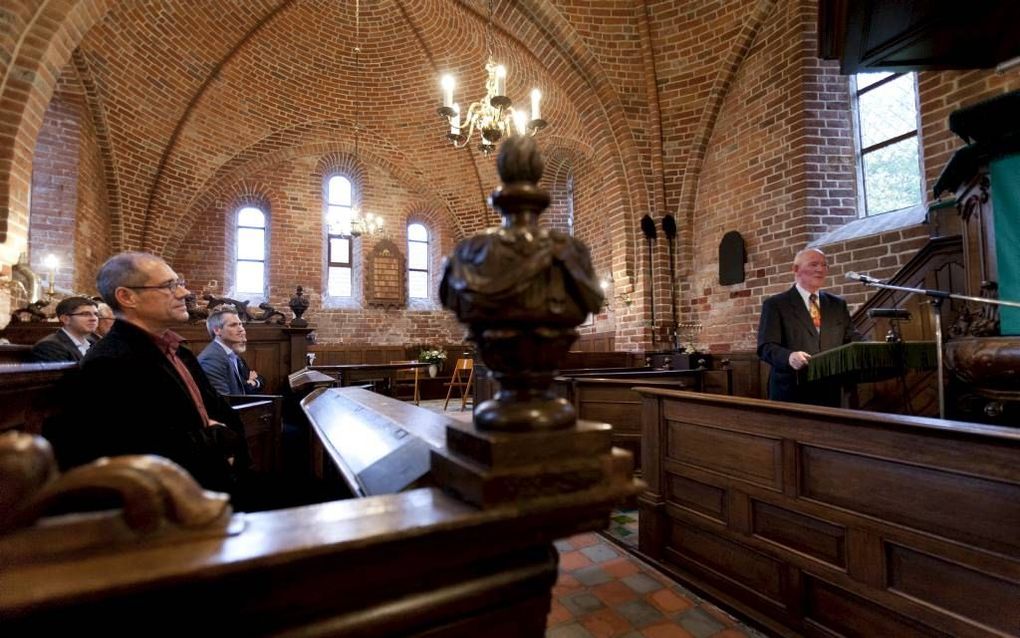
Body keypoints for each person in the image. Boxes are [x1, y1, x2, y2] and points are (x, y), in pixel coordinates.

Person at [44, 252, 251, 499]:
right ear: (127, 297)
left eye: (180, 284)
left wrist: (226, 442)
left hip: (216, 486)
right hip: (174, 505)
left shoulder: (178, 350)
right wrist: (217, 440)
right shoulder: (111, 362)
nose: (184, 293)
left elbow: (217, 408)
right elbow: (144, 449)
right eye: (169, 286)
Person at [757, 248, 859, 407]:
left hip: (831, 392)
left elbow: (851, 337)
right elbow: (765, 347)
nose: (820, 269)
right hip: (792, 391)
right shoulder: (776, 304)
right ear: (796, 269)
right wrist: (789, 357)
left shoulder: (837, 304)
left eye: (824, 265)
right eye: (814, 264)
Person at [198, 306, 265, 396]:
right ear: (217, 330)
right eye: (233, 325)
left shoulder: (231, 355)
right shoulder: (211, 359)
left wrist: (252, 382)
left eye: (240, 324)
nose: (241, 329)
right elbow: (223, 404)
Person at [28, 296, 99, 362]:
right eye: (85, 314)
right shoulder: (50, 346)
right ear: (65, 319)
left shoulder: (94, 342)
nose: (93, 318)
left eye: (96, 314)